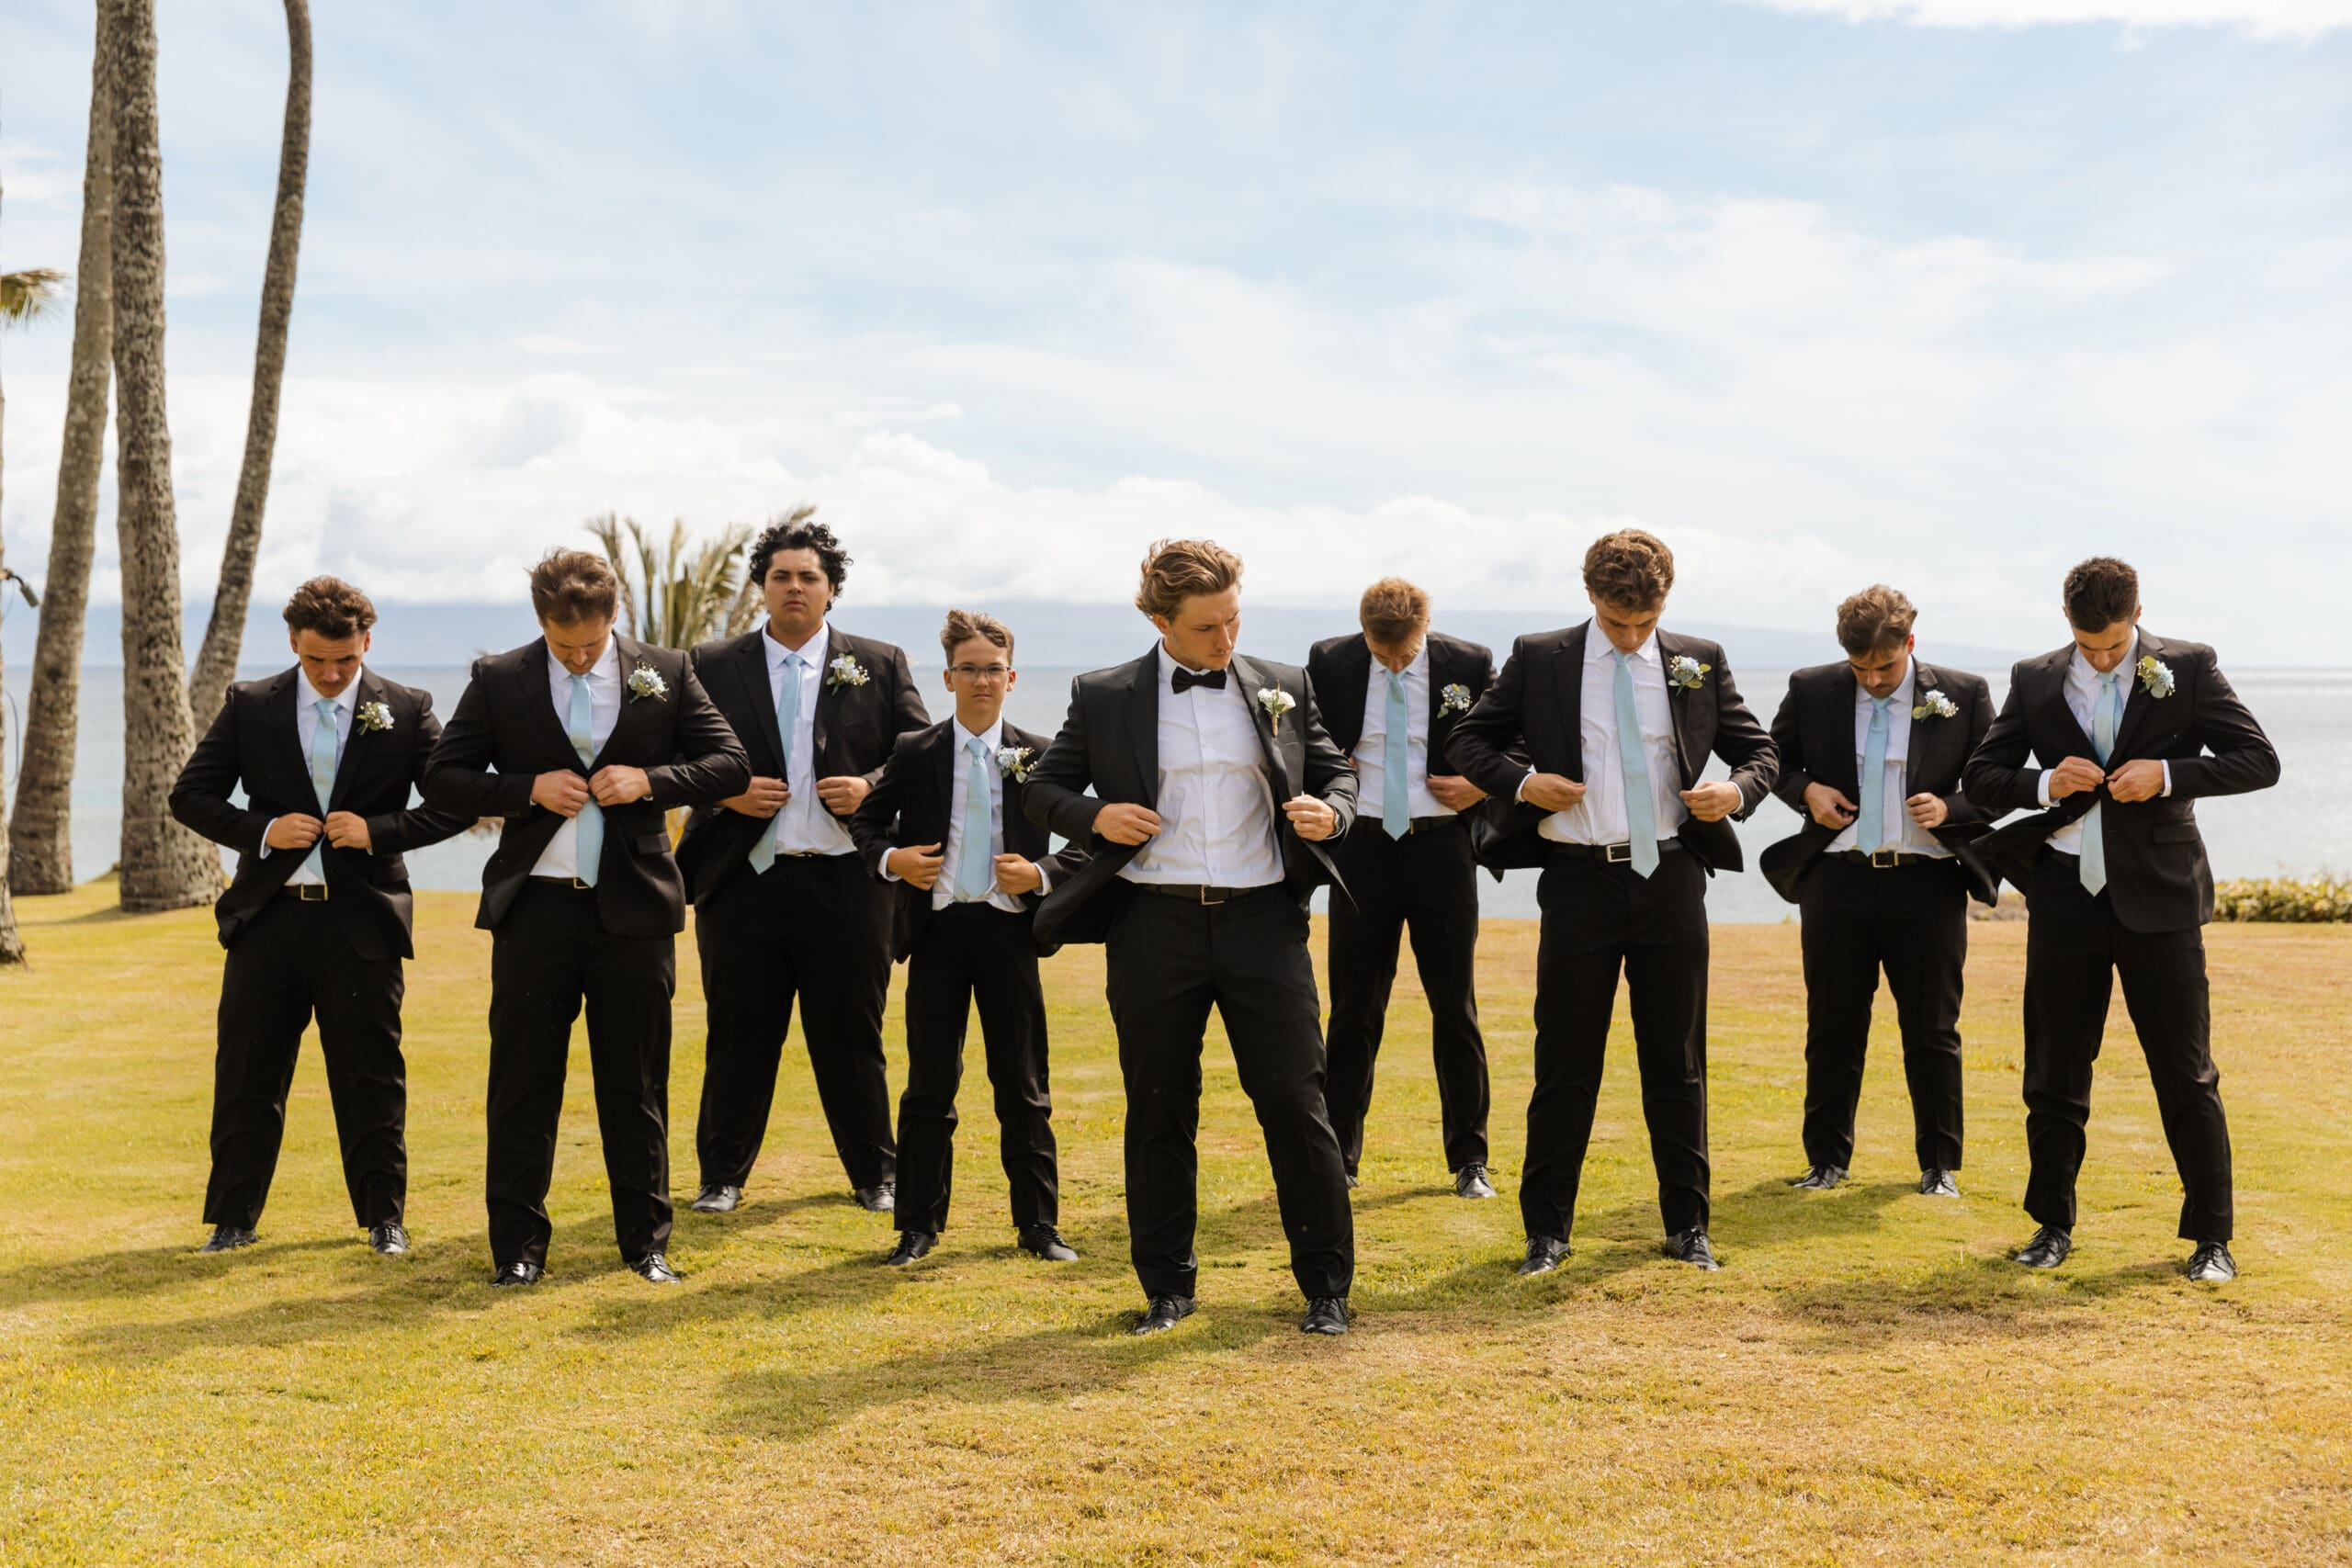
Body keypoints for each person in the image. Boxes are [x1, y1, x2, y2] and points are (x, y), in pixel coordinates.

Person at [1023, 539, 1361, 1336]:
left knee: (1296, 1103)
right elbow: (1043, 786)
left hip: (1263, 922)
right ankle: (1167, 1288)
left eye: (1234, 619)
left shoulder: (1283, 684)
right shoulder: (1104, 694)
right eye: (1207, 627)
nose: (1225, 639)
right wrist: (1096, 815)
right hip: (1154, 923)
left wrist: (1335, 812)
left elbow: (1337, 774)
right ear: (1159, 620)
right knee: (1159, 1108)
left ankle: (1327, 1289)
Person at [1447, 528, 1776, 1277]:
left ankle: (1688, 1226)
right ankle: (1546, 1233)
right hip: (1578, 880)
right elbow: (1468, 741)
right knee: (1565, 1061)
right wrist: (1524, 784)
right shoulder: (1540, 657)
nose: (1632, 637)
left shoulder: (1700, 659)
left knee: (1678, 1061)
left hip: (1672, 878)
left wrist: (1735, 792)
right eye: (1618, 622)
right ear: (1590, 596)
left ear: (1666, 602)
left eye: (1646, 622)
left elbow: (1760, 751)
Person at [423, 548, 748, 1287]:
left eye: (592, 644)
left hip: (634, 912)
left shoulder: (667, 671)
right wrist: (526, 789)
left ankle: (646, 1244)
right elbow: (443, 778)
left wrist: (650, 781)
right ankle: (517, 1250)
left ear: (614, 617)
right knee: (522, 1084)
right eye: (563, 644)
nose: (577, 657)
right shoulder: (499, 678)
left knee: (636, 1086)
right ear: (540, 620)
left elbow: (729, 763)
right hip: (535, 909)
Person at [1963, 556, 2278, 1281]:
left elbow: (2258, 759)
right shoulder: (2034, 678)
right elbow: (1981, 777)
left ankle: (2211, 1238)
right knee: (2053, 1069)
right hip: (2064, 895)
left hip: (2161, 899)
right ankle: (2051, 1225)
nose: (2101, 659)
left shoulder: (2189, 667)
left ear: (2137, 614)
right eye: (2087, 646)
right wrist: (2045, 781)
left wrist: (2165, 776)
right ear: (2065, 622)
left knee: (2186, 1071)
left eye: (2112, 645)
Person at [168, 578, 470, 1257]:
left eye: (346, 660)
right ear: (292, 644)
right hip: (268, 920)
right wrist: (264, 830)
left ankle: (384, 1219)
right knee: (248, 1072)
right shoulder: (250, 705)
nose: (331, 675)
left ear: (368, 642)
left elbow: (454, 803)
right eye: (316, 660)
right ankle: (233, 1219)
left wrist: (378, 831)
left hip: (362, 924)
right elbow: (190, 795)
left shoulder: (408, 708)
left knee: (371, 1076)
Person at [675, 515, 929, 1216]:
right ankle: (721, 1177)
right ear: (762, 586)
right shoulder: (711, 663)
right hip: (742, 879)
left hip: (847, 880)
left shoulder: (879, 662)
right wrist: (724, 791)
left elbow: (922, 755)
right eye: (781, 575)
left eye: (808, 577)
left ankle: (876, 1176)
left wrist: (872, 785)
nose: (795, 587)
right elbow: (672, 756)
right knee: (737, 1035)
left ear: (831, 588)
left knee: (853, 1035)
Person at [847, 610, 1086, 1267]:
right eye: (970, 669)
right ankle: (917, 1227)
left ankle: (1039, 1225)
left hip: (1010, 931)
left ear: (1012, 677)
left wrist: (1041, 872)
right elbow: (866, 823)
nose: (983, 681)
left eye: (994, 670)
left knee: (1023, 1083)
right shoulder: (916, 751)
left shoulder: (1039, 754)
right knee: (929, 1085)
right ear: (948, 677)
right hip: (938, 932)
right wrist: (894, 860)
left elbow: (1090, 836)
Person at [1759, 585, 1998, 1199]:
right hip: (1835, 880)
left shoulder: (1965, 692)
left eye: (1885, 667)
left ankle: (1939, 1165)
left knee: (1933, 1028)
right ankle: (1825, 1161)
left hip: (1928, 882)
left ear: (1910, 643)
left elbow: (1995, 783)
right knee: (1832, 1024)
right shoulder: (1812, 688)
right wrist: (1806, 791)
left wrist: (1951, 808)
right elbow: (1769, 759)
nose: (1872, 679)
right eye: (1859, 668)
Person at [1306, 578, 1498, 1198]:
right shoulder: (1329, 660)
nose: (1393, 664)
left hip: (1442, 848)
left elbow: (1513, 738)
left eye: (1405, 654)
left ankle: (1470, 1159)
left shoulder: (1469, 662)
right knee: (1354, 1007)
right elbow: (1302, 738)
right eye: (1380, 653)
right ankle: (1339, 1158)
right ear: (1362, 631)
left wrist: (1480, 784)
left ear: (1426, 630)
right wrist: (1327, 769)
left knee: (1455, 1005)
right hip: (1361, 848)